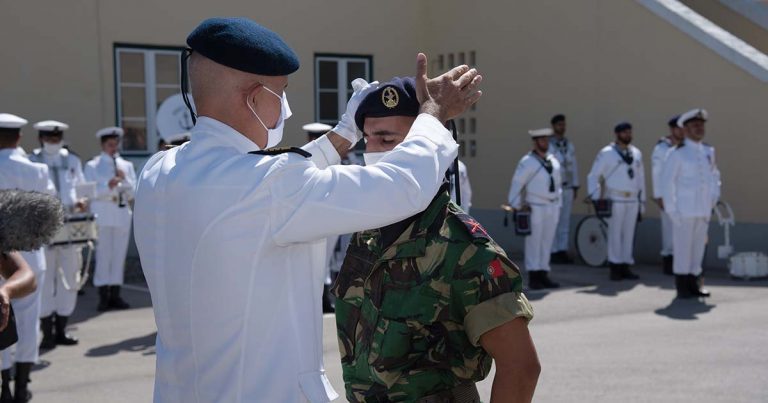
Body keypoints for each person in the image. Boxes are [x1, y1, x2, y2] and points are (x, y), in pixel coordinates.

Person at [133, 17, 480, 402]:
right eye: (280, 92)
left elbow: (272, 181)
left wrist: (346, 133)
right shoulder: (266, 186)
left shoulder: (159, 171)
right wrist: (433, 115)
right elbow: (400, 188)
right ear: (252, 96)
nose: (285, 108)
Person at [332, 77, 539, 403]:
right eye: (368, 140)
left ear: (426, 147)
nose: (372, 152)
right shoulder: (368, 232)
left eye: (386, 139)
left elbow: (521, 367)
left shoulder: (464, 247)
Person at [0, 113, 55, 403]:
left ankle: (4, 386)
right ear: (19, 137)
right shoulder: (37, 170)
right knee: (27, 319)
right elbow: (49, 212)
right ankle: (22, 386)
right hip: (30, 255)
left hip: (2, 252)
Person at [27, 120, 85, 350]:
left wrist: (83, 201)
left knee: (69, 277)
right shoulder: (32, 161)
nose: (53, 143)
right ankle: (47, 332)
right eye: (49, 139)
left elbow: (81, 187)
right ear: (41, 139)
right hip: (42, 228)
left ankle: (62, 328)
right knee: (46, 278)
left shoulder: (72, 160)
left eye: (57, 139)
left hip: (69, 225)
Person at [661, 109, 719, 298]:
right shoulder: (676, 153)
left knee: (698, 249)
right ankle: (683, 286)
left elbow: (714, 177)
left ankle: (696, 284)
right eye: (694, 126)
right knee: (683, 249)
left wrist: (713, 199)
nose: (699, 129)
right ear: (684, 130)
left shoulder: (709, 151)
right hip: (684, 210)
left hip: (702, 209)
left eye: (701, 125)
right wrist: (672, 211)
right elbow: (667, 183)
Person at [84, 127, 136, 311]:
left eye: (116, 144)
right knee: (104, 254)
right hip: (103, 213)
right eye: (110, 145)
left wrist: (125, 180)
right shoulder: (93, 165)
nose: (114, 148)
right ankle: (103, 296)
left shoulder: (126, 165)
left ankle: (116, 294)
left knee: (118, 255)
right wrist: (108, 185)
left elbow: (133, 192)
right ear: (103, 145)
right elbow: (89, 192)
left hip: (121, 214)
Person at [587, 122, 645, 281]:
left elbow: (641, 180)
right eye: (624, 132)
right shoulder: (607, 153)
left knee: (628, 235)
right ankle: (615, 267)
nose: (628, 135)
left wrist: (642, 202)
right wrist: (596, 198)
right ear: (617, 134)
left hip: (632, 199)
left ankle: (626, 265)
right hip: (615, 198)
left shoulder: (636, 153)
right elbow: (593, 176)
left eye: (629, 132)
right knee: (615, 234)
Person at [508, 128, 562, 290]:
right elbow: (517, 183)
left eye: (547, 140)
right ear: (535, 142)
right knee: (534, 242)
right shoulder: (527, 161)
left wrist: (559, 203)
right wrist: (516, 205)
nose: (545, 143)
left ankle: (544, 273)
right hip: (535, 206)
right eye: (542, 140)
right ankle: (534, 275)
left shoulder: (553, 160)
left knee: (547, 242)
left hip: (552, 205)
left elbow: (559, 184)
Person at [652, 115, 684, 275]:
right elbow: (657, 173)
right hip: (668, 196)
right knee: (669, 231)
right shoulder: (663, 148)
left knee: (682, 230)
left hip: (684, 196)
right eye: (679, 128)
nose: (682, 131)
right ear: (672, 129)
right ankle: (668, 261)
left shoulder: (686, 146)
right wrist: (659, 196)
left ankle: (682, 263)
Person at [549, 114, 579, 264]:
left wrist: (576, 185)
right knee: (554, 220)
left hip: (568, 187)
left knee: (565, 221)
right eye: (559, 124)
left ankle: (562, 250)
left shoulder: (569, 144)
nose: (562, 127)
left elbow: (573, 166)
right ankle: (553, 251)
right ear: (553, 126)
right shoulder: (548, 144)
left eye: (564, 124)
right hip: (556, 189)